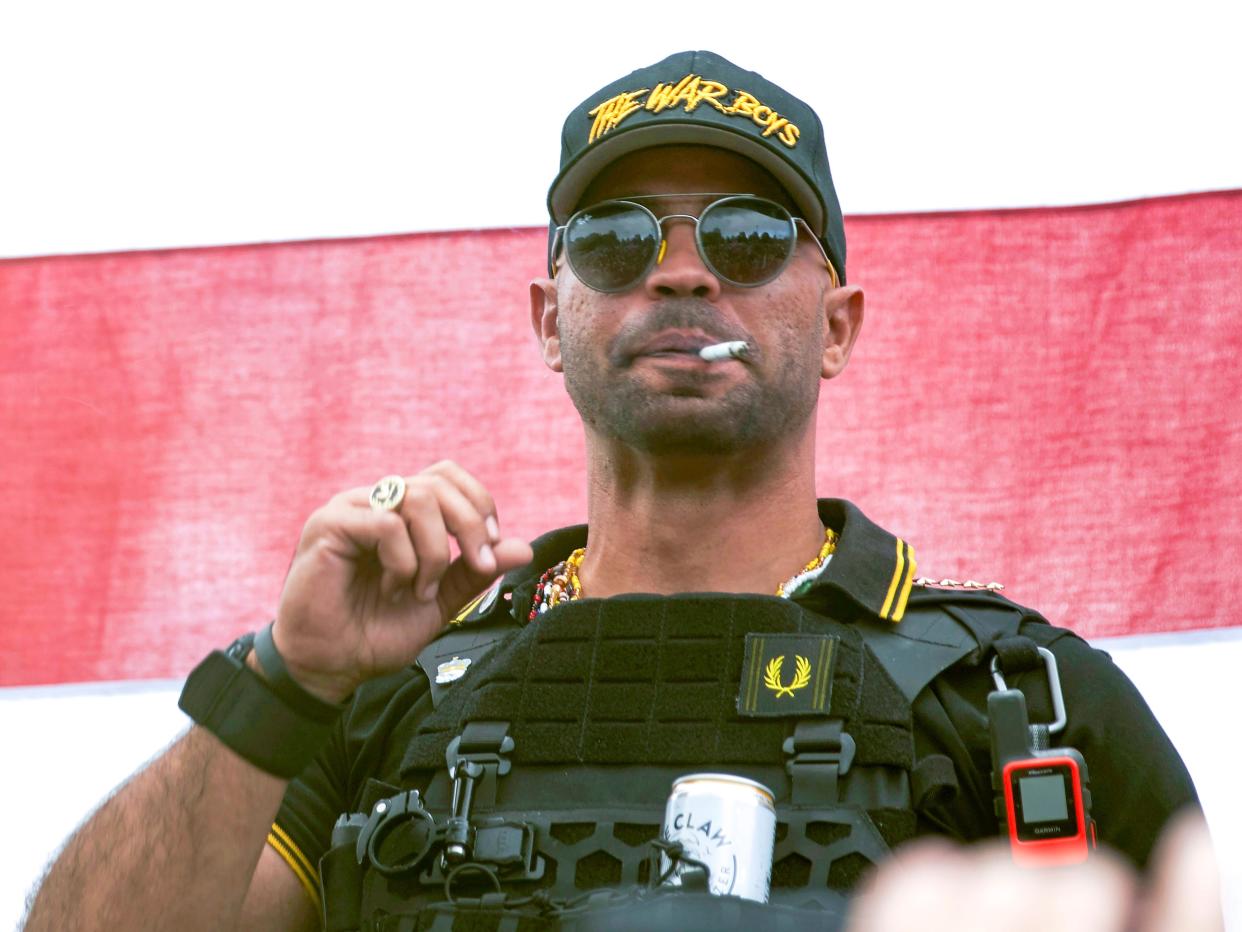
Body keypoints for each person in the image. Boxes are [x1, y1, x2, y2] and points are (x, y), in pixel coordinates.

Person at [24, 51, 1199, 932]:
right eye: (613, 238)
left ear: (838, 326)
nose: (679, 269)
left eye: (745, 235)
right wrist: (287, 679)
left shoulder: (1023, 700)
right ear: (550, 317)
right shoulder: (381, 698)